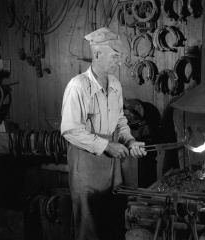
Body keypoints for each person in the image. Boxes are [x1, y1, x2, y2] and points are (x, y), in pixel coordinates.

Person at [61, 27, 147, 240]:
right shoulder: (78, 86)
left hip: (112, 164)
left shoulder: (116, 85)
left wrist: (130, 140)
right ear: (98, 55)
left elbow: (120, 121)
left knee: (112, 218)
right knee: (89, 225)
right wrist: (107, 146)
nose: (119, 62)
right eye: (115, 56)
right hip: (86, 162)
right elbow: (70, 130)